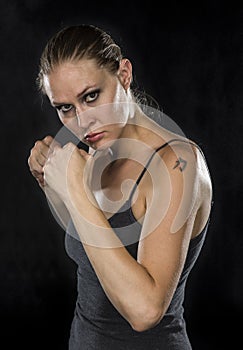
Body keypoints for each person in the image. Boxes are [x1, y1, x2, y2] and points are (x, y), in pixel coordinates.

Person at [28, 24, 213, 350]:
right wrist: (50, 177)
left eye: (91, 96)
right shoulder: (96, 154)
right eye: (65, 108)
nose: (83, 121)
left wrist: (72, 189)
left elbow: (145, 311)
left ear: (124, 74)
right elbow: (90, 252)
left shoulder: (177, 163)